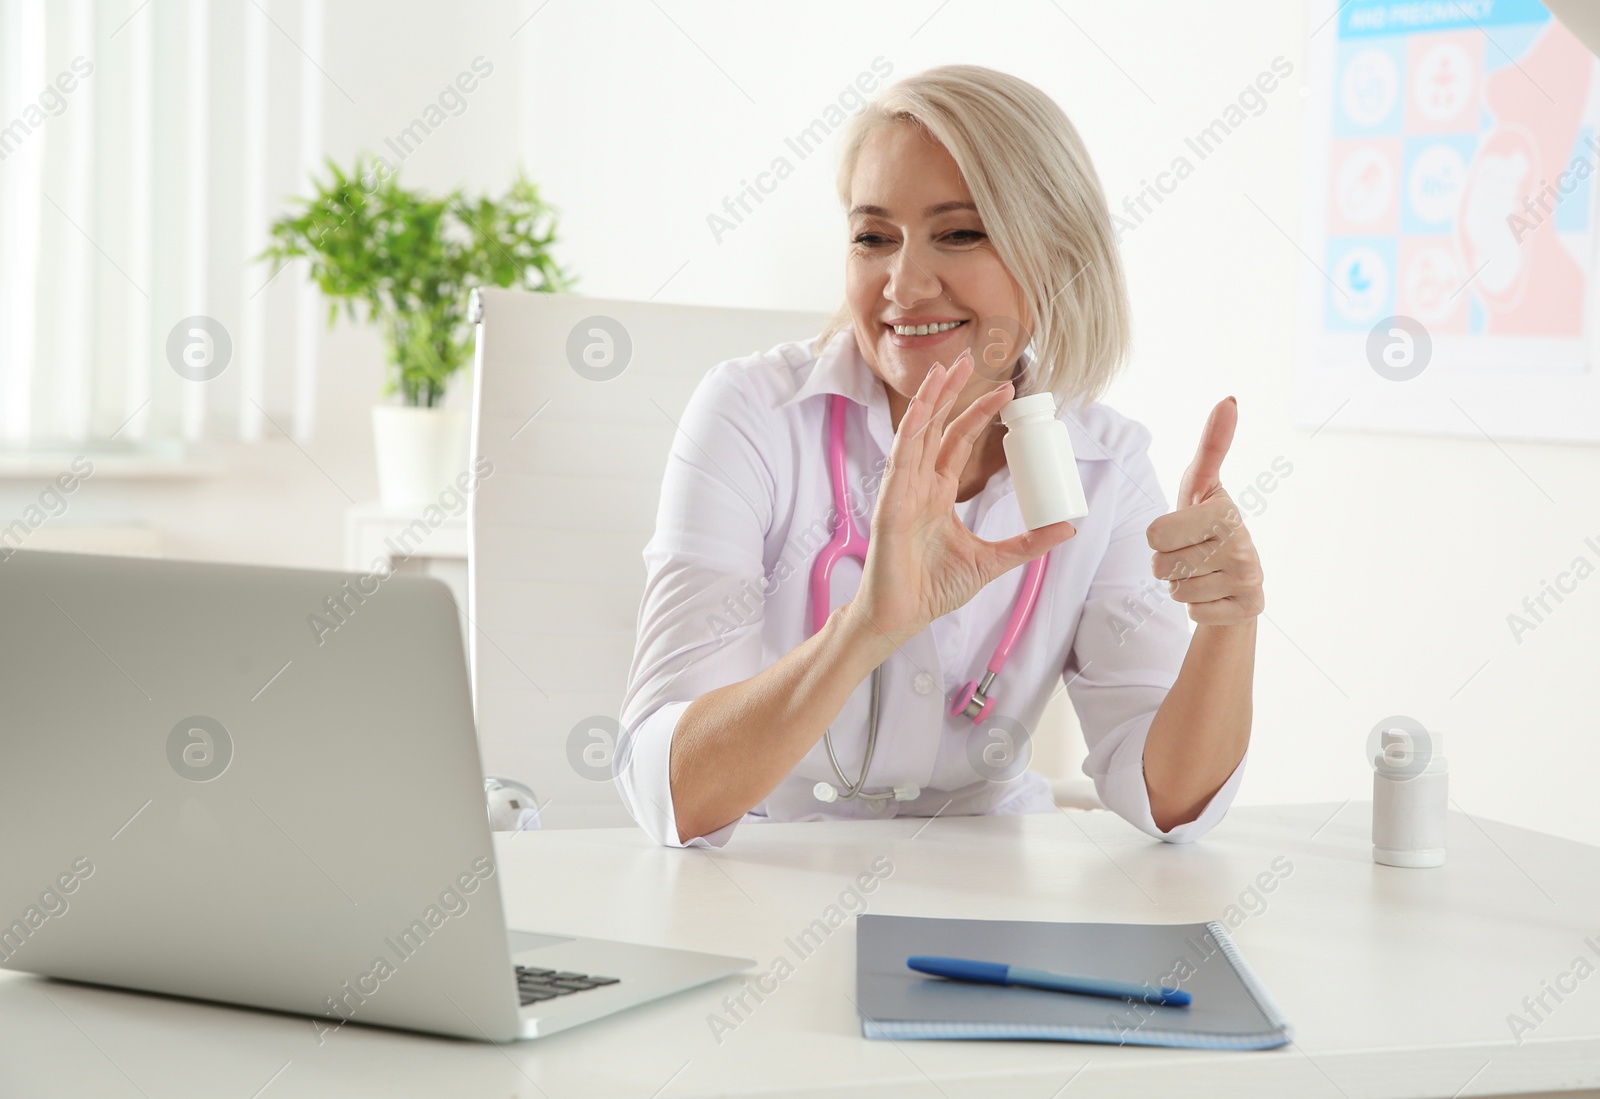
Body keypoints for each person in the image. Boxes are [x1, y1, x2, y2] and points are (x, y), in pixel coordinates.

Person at [616, 64, 1263, 848]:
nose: (905, 283)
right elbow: (669, 790)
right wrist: (868, 626)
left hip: (991, 900)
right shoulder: (754, 418)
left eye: (958, 233)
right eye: (873, 237)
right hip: (765, 876)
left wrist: (1228, 621)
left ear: (1054, 254)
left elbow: (1168, 797)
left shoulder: (1104, 463)